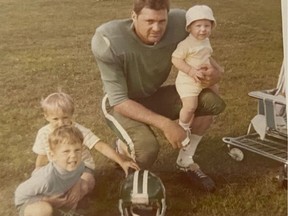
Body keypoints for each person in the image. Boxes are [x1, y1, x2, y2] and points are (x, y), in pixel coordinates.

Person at [91, 0, 225, 192]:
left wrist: (216, 72)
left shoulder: (180, 22)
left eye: (162, 21)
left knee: (211, 100)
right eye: (149, 21)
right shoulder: (108, 39)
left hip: (152, 95)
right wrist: (166, 124)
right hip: (120, 103)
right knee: (148, 148)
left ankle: (186, 161)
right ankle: (123, 149)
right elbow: (119, 100)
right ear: (134, 16)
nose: (157, 28)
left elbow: (199, 49)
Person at [32, 92, 139, 208]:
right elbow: (42, 157)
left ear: (71, 114)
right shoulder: (43, 133)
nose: (61, 123)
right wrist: (38, 173)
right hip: (57, 169)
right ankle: (51, 201)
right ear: (46, 116)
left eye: (65, 118)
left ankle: (73, 200)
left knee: (87, 182)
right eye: (55, 119)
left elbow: (100, 146)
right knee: (40, 179)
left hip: (81, 168)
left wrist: (121, 161)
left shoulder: (78, 130)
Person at [171, 5, 220, 162]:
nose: (203, 30)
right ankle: (183, 126)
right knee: (190, 106)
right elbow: (176, 59)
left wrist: (217, 68)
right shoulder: (187, 44)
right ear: (190, 27)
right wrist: (191, 71)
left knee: (215, 95)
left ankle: (208, 114)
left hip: (203, 78)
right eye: (198, 26)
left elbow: (207, 56)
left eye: (207, 26)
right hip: (188, 81)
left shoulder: (205, 41)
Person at [15, 125, 86, 216]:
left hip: (57, 197)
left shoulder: (80, 166)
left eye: (77, 150)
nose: (73, 155)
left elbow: (78, 175)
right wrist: (45, 200)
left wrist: (76, 186)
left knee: (83, 186)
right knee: (44, 210)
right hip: (32, 204)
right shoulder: (45, 178)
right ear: (52, 155)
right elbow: (19, 195)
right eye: (66, 151)